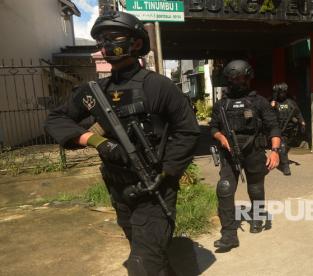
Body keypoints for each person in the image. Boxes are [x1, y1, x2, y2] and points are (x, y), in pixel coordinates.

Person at [44, 11, 200, 276]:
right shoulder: (95, 92)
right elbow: (56, 118)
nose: (106, 45)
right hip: (118, 187)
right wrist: (95, 141)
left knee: (142, 264)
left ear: (136, 43)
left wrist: (168, 171)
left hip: (154, 188)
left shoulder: (159, 87)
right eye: (101, 40)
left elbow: (187, 132)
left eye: (112, 38)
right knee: (144, 250)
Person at [209, 60, 281, 251]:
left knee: (255, 188)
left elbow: (273, 127)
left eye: (241, 78)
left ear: (248, 78)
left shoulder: (259, 102)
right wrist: (220, 136)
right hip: (229, 152)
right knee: (224, 188)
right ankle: (229, 234)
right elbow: (213, 127)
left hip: (254, 151)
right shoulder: (221, 104)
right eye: (234, 78)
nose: (238, 81)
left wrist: (275, 152)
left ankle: (257, 217)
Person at [270, 82, 305, 175]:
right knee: (282, 146)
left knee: (286, 146)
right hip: (278, 129)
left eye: (284, 92)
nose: (282, 94)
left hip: (290, 130)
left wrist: (302, 122)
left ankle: (281, 156)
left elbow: (298, 112)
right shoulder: (273, 102)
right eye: (280, 93)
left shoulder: (290, 102)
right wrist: (272, 106)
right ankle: (285, 166)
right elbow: (267, 115)